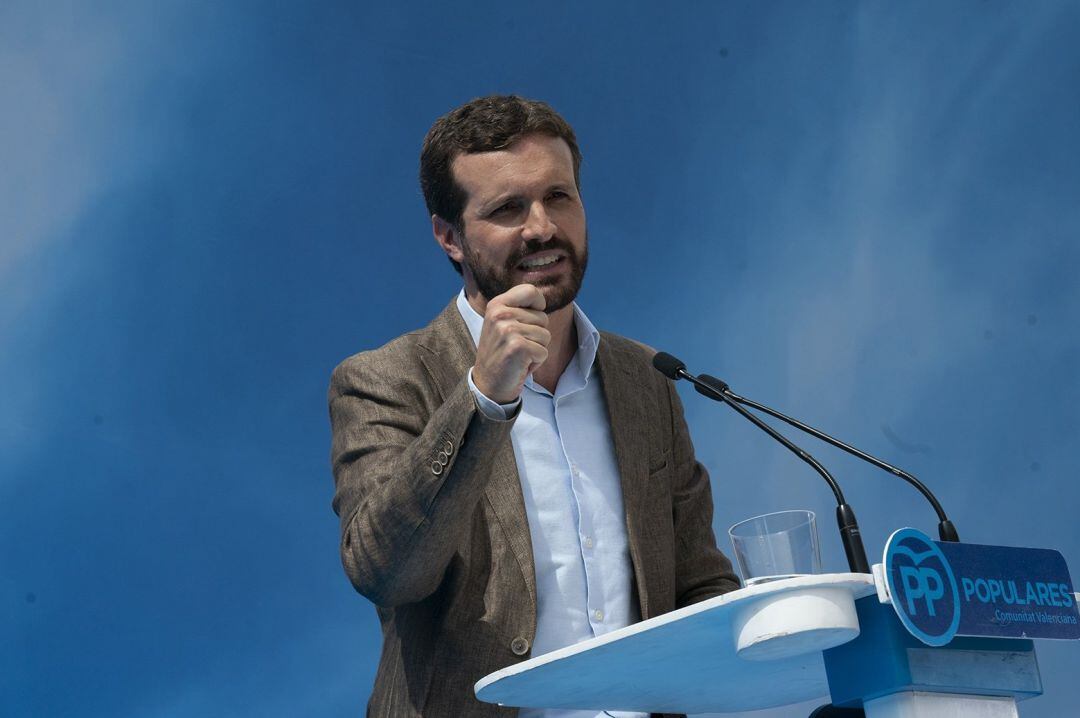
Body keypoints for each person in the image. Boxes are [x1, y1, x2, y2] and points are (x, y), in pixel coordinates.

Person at [329, 95, 740, 718]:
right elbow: (387, 572)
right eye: (507, 209)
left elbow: (697, 584)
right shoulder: (385, 380)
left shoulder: (647, 380)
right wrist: (483, 398)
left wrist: (771, 624)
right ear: (449, 237)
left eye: (559, 197)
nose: (542, 227)